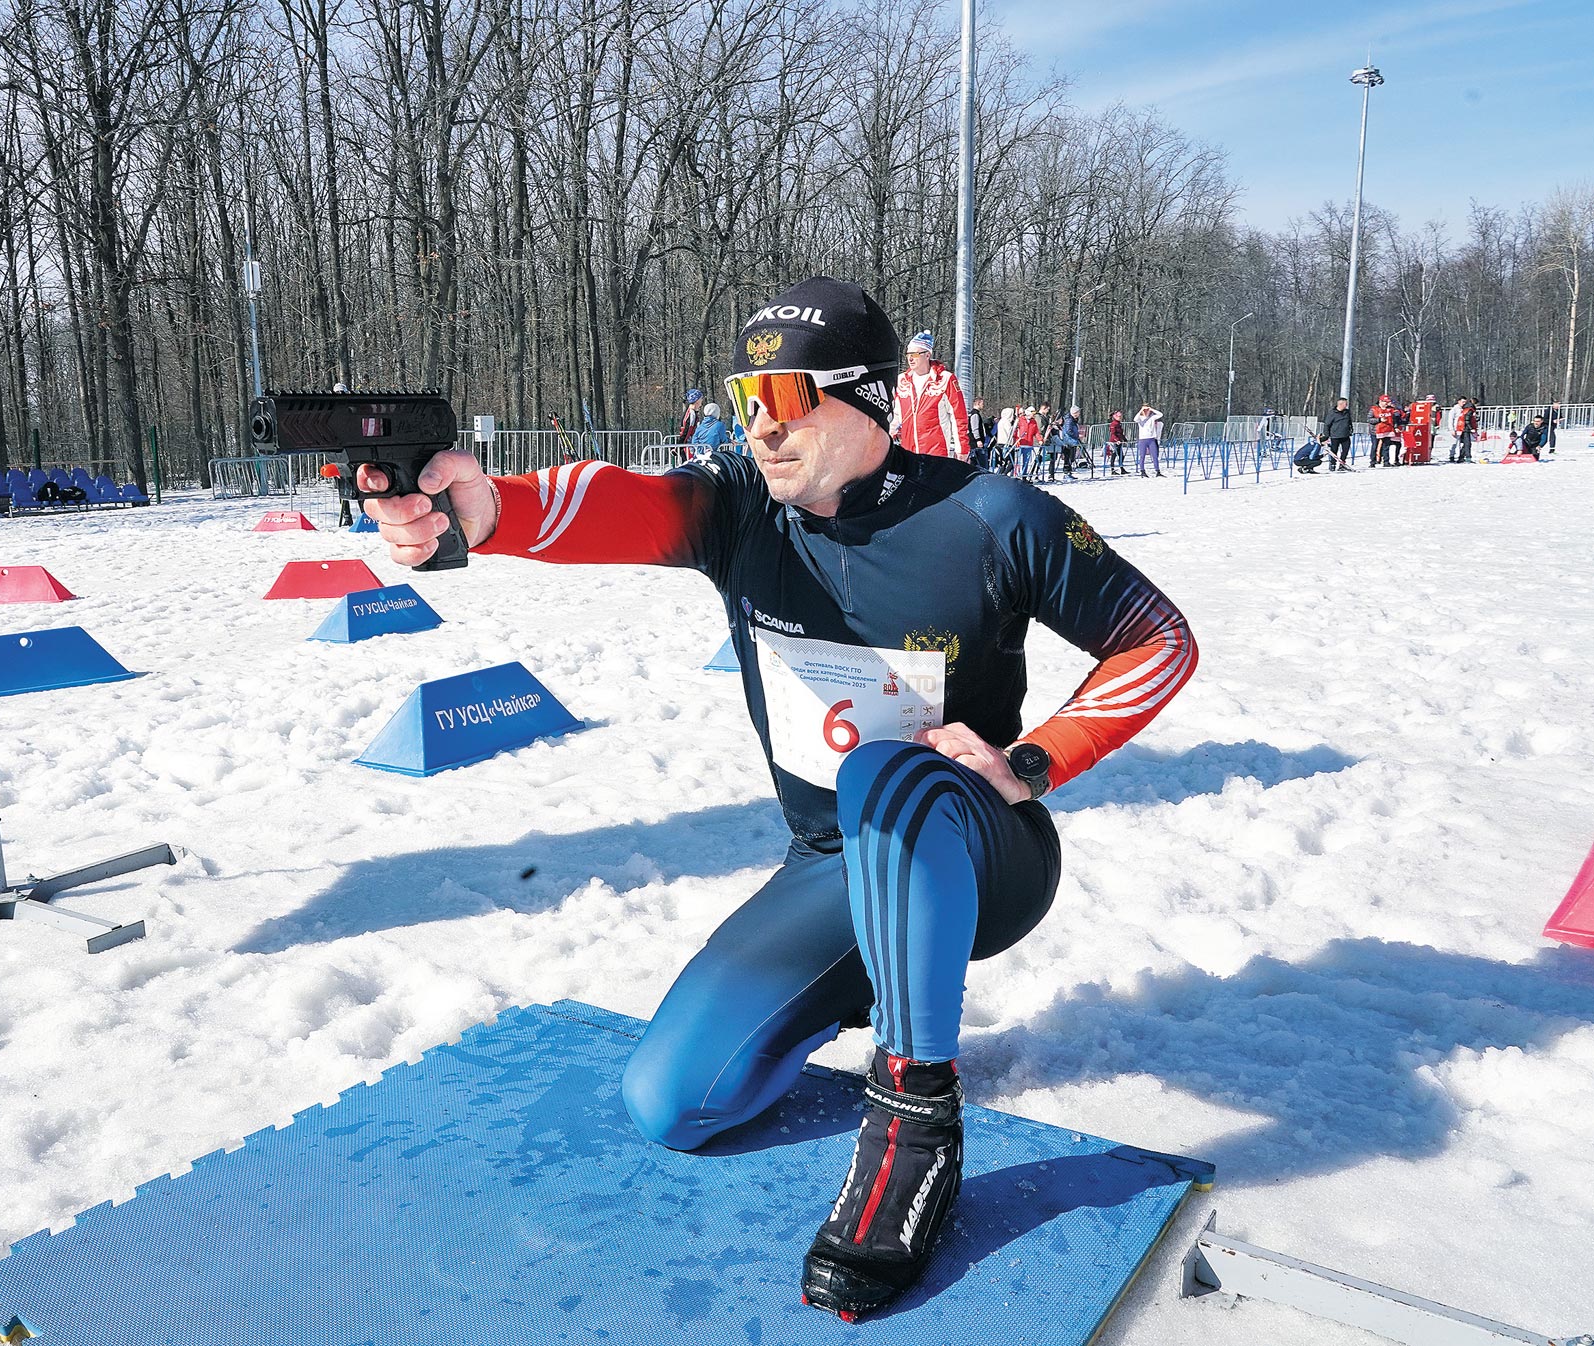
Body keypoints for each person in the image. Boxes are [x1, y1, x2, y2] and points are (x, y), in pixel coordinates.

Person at [359, 277, 1197, 1322]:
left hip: (983, 858)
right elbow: (618, 502)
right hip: (831, 864)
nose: (759, 424)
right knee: (671, 1100)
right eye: (744, 396)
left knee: (882, 771)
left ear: (868, 399)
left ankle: (916, 1124)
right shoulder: (740, 507)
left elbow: (1159, 640)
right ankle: (866, 974)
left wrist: (1031, 762)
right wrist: (486, 513)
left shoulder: (993, 515)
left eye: (786, 397)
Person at [889, 331, 972, 460]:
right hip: (908, 452)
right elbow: (896, 414)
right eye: (908, 354)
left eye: (915, 354)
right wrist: (886, 436)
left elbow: (958, 416)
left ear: (927, 355)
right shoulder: (902, 380)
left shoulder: (945, 379)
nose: (910, 358)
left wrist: (961, 448)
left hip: (936, 452)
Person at [1319, 397, 1354, 471]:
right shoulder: (1332, 413)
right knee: (1334, 451)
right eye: (1345, 404)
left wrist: (1351, 429)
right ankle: (1332, 464)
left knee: (1345, 450)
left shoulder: (1347, 412)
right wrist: (1326, 435)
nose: (1346, 405)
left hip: (1345, 435)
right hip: (1335, 435)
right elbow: (1327, 424)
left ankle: (1342, 464)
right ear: (1340, 404)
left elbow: (1349, 422)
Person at [1133, 402, 1164, 477]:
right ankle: (1142, 471)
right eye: (1145, 410)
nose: (1146, 411)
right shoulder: (1140, 418)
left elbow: (1160, 414)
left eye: (1147, 410)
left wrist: (1151, 409)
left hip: (1151, 439)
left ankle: (1157, 471)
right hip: (1142, 439)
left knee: (1154, 455)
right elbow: (1135, 419)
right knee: (1142, 456)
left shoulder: (1152, 417)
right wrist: (1141, 410)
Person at [1013, 402, 1042, 479]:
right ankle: (1016, 474)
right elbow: (1015, 431)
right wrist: (1015, 440)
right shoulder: (1020, 420)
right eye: (1032, 413)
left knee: (1026, 461)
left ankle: (1024, 475)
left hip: (1029, 444)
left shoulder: (1033, 422)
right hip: (1020, 443)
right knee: (1018, 460)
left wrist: (1040, 439)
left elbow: (1036, 432)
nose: (1033, 415)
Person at [1370, 394, 1400, 467]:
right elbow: (1369, 419)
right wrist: (1379, 420)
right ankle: (1373, 462)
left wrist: (1395, 427)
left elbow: (1394, 420)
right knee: (1375, 446)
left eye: (1387, 402)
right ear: (1380, 401)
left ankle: (1386, 462)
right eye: (1385, 402)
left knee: (1386, 446)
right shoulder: (1374, 409)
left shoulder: (1391, 410)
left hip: (1387, 430)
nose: (1386, 403)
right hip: (1375, 430)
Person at [1055, 406, 1083, 480]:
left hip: (1071, 440)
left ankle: (1069, 472)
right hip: (1068, 440)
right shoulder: (1069, 420)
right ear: (1075, 412)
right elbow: (1068, 430)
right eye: (1078, 412)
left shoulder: (1073, 419)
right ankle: (1066, 473)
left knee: (1071, 457)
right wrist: (1076, 435)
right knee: (1068, 457)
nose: (1079, 414)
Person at [1450, 397, 1477, 463]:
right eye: (1463, 402)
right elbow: (1451, 420)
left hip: (1462, 428)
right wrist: (1451, 429)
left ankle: (1461, 457)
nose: (1464, 403)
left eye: (1465, 402)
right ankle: (1453, 456)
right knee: (1457, 443)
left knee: (1465, 443)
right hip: (1460, 428)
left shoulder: (1465, 408)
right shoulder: (1456, 409)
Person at [1105, 410, 1127, 475]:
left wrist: (1124, 439)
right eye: (1119, 416)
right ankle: (1112, 470)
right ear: (1115, 417)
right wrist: (1117, 440)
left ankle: (1121, 468)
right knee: (1114, 455)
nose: (1120, 418)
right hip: (1114, 442)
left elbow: (1121, 433)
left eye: (1121, 416)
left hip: (1119, 442)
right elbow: (1113, 434)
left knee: (1121, 456)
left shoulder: (1119, 423)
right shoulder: (1113, 424)